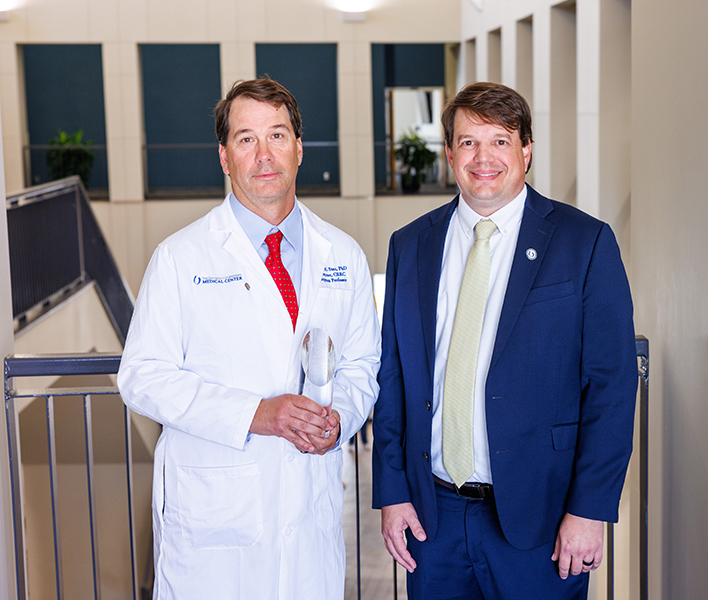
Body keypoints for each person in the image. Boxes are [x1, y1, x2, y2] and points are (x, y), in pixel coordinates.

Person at [371, 81, 637, 600]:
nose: (483, 157)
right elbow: (393, 377)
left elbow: (612, 386)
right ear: (449, 154)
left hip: (541, 519)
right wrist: (393, 491)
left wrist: (588, 509)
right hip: (433, 518)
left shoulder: (584, 242)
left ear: (526, 151)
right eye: (469, 142)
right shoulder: (410, 245)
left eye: (500, 140)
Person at [118, 77, 380, 600]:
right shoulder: (181, 257)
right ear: (224, 157)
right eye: (246, 139)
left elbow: (362, 366)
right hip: (213, 525)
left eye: (277, 136)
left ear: (299, 148)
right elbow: (142, 378)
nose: (264, 155)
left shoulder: (343, 255)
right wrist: (257, 415)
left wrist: (338, 420)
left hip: (310, 509)